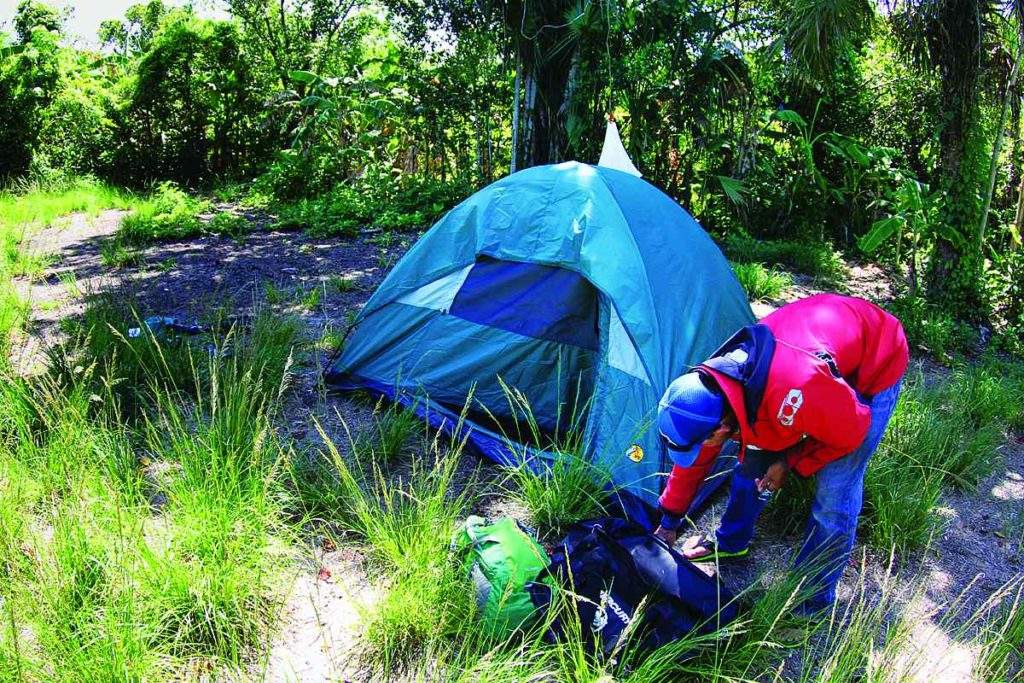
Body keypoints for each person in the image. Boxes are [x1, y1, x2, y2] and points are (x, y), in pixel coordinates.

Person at [653, 293, 908, 614]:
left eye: (706, 441)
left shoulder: (795, 390)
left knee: (835, 492)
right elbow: (699, 457)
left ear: (720, 428)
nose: (702, 450)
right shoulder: (714, 383)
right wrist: (670, 520)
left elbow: (852, 432)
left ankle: (811, 601)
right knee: (757, 453)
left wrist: (788, 462)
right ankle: (731, 543)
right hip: (817, 357)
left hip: (877, 355)